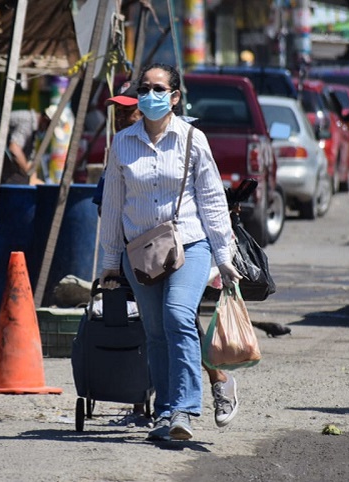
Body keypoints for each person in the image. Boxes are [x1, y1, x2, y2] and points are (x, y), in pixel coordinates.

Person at [98, 63, 241, 442]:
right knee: (156, 331)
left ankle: (184, 409)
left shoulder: (193, 139)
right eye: (144, 88)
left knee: (177, 316)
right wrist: (109, 263)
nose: (150, 95)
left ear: (175, 97)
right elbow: (112, 207)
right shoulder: (122, 144)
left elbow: (212, 200)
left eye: (158, 89)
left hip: (189, 245)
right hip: (140, 253)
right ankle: (164, 413)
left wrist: (223, 257)